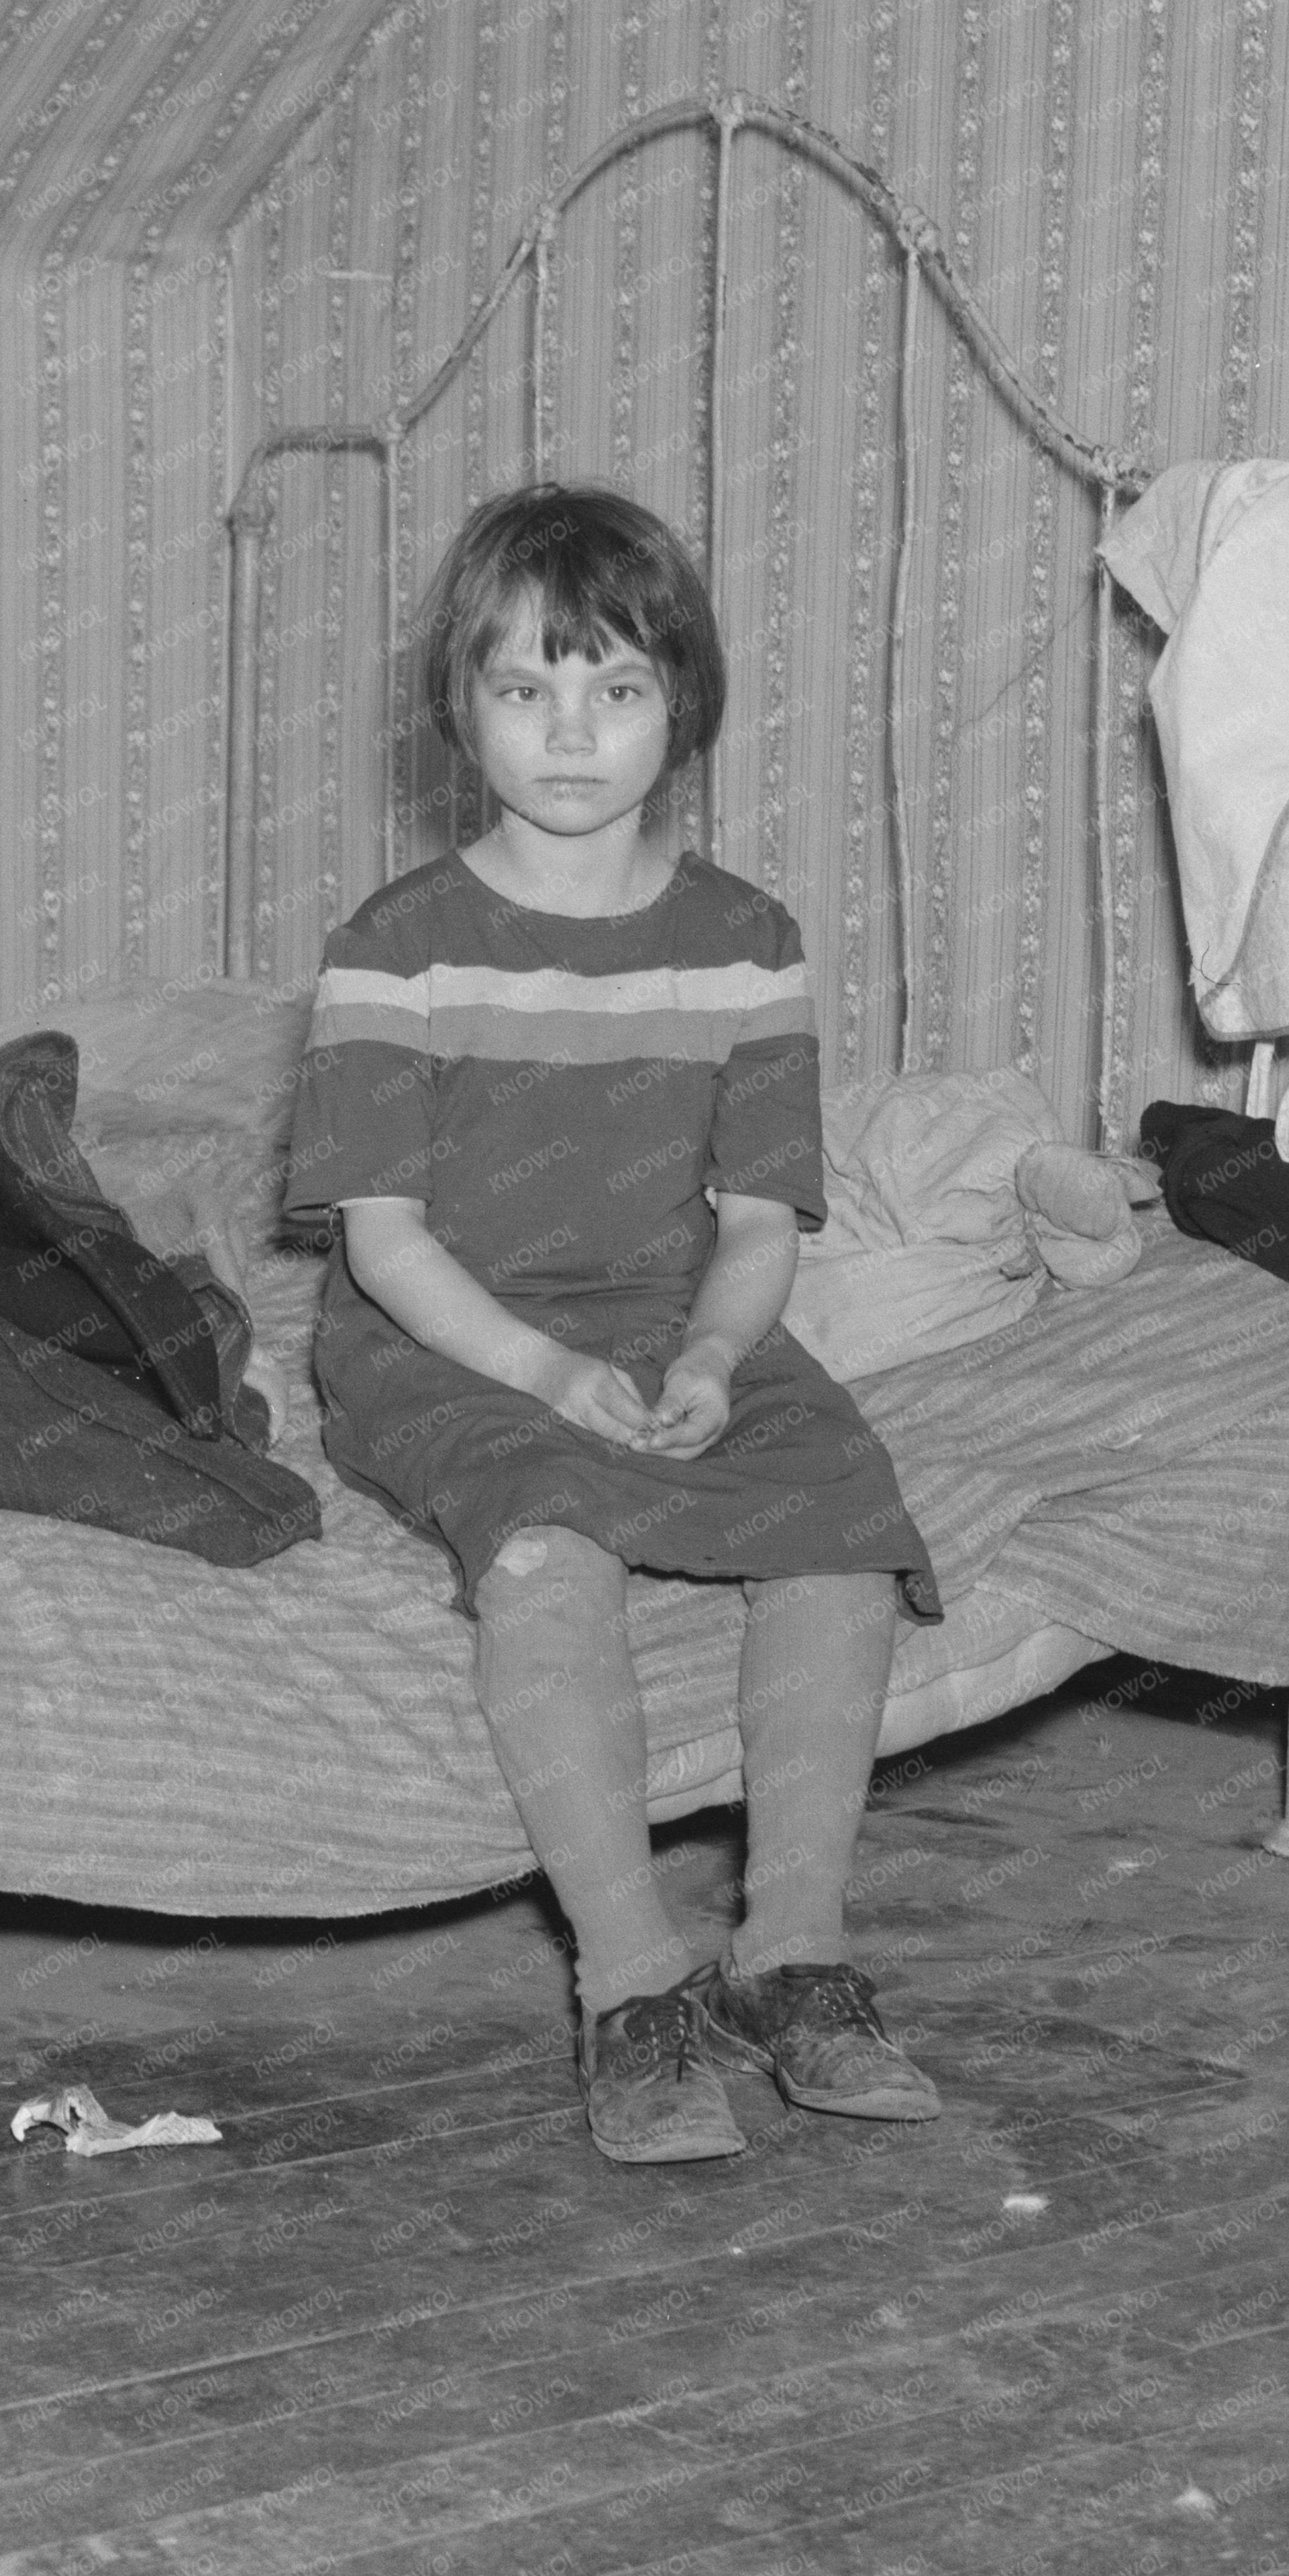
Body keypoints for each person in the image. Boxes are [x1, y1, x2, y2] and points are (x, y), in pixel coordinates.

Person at [283, 482, 944, 2166]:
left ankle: (792, 1956)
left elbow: (752, 1224)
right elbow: (381, 1239)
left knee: (842, 1531)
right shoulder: (396, 951)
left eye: (618, 688)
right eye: (524, 688)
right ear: (460, 709)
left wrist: (715, 1359)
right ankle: (635, 1986)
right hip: (447, 1326)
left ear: (686, 701)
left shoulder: (749, 944)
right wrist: (544, 1374)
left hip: (671, 1312)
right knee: (547, 1548)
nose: (570, 733)